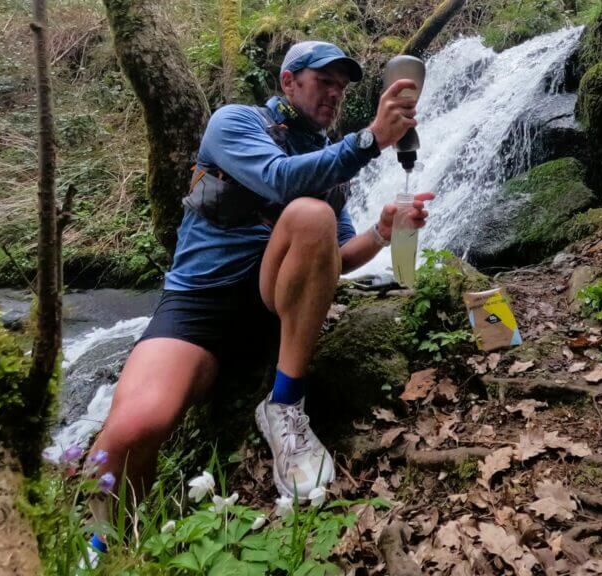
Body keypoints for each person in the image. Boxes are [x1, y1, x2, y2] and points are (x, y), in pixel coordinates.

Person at [86, 41, 432, 505]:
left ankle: (285, 404)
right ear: (289, 82)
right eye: (324, 82)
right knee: (134, 426)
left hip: (272, 304)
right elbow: (279, 176)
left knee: (313, 218)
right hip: (200, 304)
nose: (334, 94)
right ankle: (103, 539)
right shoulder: (237, 121)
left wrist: (382, 230)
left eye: (342, 88)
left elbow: (339, 256)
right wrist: (369, 140)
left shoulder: (331, 158)